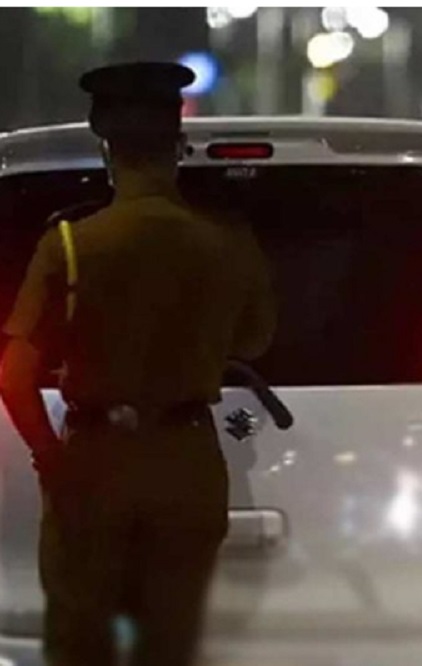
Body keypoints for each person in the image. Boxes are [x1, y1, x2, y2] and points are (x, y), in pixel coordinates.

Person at [0, 62, 276, 666]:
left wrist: (52, 459)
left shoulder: (70, 245)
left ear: (107, 148)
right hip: (187, 462)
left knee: (80, 641)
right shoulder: (227, 239)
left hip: (95, 464)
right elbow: (255, 342)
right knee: (170, 641)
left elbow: (14, 378)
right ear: (177, 145)